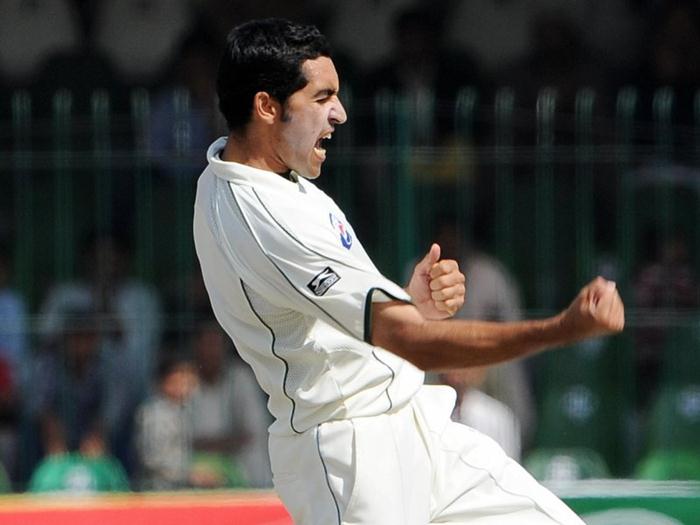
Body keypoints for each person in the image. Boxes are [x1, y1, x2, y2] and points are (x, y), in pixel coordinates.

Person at [193, 18, 624, 525]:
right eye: (322, 97)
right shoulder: (263, 211)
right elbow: (413, 343)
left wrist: (406, 301)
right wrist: (561, 329)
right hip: (351, 455)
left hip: (416, 422)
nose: (340, 113)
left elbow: (327, 318)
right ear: (267, 106)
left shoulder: (258, 177)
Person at [134, 353, 198, 490]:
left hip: (180, 488)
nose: (185, 386)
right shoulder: (154, 414)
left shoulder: (184, 410)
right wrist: (189, 474)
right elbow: (152, 458)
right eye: (179, 380)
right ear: (164, 383)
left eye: (188, 380)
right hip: (157, 488)